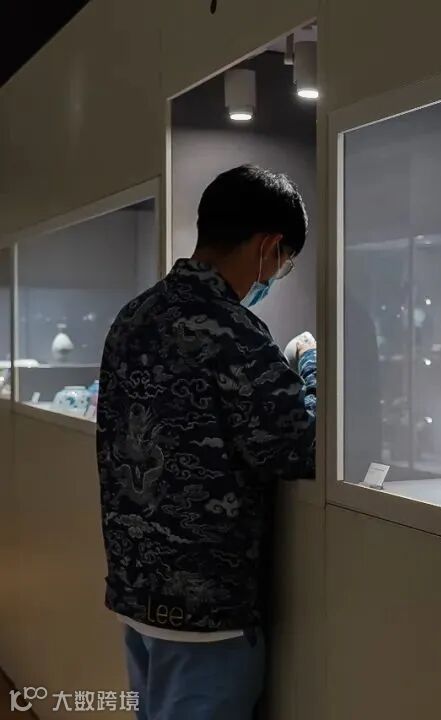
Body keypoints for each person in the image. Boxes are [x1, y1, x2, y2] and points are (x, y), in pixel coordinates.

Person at [97, 165, 317, 720]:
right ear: (268, 247)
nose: (277, 274)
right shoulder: (234, 331)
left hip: (136, 592)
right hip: (206, 615)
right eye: (285, 261)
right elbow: (298, 447)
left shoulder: (131, 317)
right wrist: (311, 366)